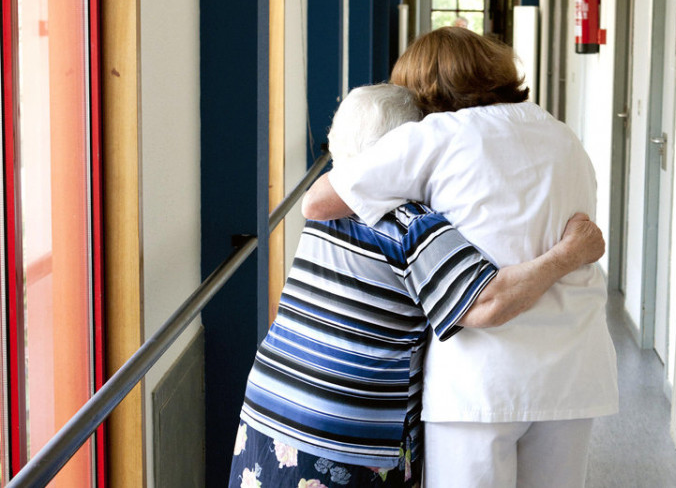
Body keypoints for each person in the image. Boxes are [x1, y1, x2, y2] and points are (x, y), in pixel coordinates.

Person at [229, 84, 606, 488]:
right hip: (345, 431)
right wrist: (570, 252)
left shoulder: (325, 217)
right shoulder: (408, 225)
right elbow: (487, 304)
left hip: (271, 404)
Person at [302, 27, 619, 487]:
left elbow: (319, 202)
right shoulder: (562, 135)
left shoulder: (438, 135)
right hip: (573, 373)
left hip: (480, 380)